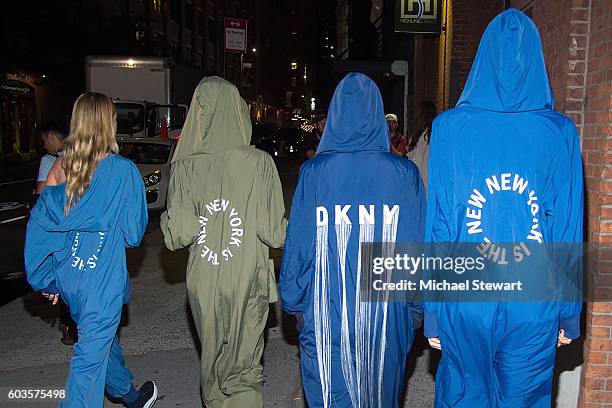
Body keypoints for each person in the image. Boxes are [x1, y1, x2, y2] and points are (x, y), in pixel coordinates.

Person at [424, 9, 582, 407]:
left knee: (464, 397)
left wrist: (433, 313)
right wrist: (568, 313)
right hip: (533, 299)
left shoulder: (448, 129)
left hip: (466, 298)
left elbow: (439, 227)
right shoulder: (559, 132)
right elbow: (567, 228)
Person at [280, 73, 425, 407]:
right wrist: (418, 309)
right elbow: (415, 246)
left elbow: (299, 244)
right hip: (386, 316)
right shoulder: (404, 174)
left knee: (331, 397)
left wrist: (292, 301)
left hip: (327, 310)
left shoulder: (315, 172)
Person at [25, 92, 158, 408]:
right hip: (103, 278)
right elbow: (133, 234)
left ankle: (127, 394)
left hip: (70, 277)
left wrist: (47, 280)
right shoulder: (123, 171)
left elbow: (43, 227)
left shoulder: (58, 168)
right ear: (108, 124)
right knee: (87, 364)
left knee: (97, 338)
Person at [160, 77, 286, 408]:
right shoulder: (259, 164)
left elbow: (178, 236)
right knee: (243, 369)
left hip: (204, 281)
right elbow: (274, 233)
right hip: (247, 278)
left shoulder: (185, 167)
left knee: (212, 366)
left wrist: (169, 215)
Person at [34, 122, 78, 346]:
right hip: (86, 235)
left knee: (63, 277)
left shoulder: (52, 162)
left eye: (44, 138)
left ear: (52, 136)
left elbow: (44, 195)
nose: (44, 143)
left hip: (61, 230)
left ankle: (69, 327)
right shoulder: (87, 158)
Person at [407, 101, 437, 196]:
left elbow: (414, 164)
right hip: (433, 188)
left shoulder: (416, 139)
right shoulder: (437, 137)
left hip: (418, 189)